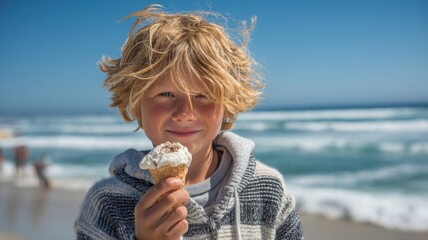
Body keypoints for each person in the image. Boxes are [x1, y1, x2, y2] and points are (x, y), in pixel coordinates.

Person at [75, 4, 303, 240]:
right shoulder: (107, 203)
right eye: (166, 94)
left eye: (203, 95)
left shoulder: (268, 189)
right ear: (137, 104)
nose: (185, 112)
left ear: (227, 104)